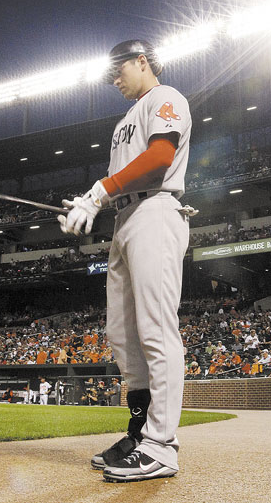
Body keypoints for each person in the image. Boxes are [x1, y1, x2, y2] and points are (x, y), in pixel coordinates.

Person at [58, 40, 196, 482]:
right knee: (122, 334)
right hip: (126, 218)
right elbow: (123, 180)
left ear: (143, 61)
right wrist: (93, 204)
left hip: (156, 210)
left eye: (119, 70)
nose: (113, 80)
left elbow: (159, 158)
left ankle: (162, 445)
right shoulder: (123, 120)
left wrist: (97, 192)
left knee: (156, 328)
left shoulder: (166, 96)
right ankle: (140, 434)